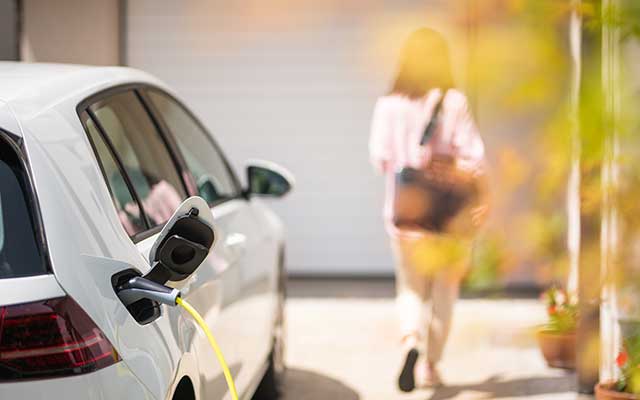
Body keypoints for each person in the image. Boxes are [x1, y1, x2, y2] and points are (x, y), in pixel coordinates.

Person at [369, 27, 487, 392]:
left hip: (405, 216)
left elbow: (379, 159)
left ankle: (411, 342)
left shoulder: (388, 105)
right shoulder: (454, 102)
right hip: (449, 218)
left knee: (410, 288)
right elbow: (475, 160)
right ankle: (432, 366)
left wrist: (409, 159)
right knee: (443, 293)